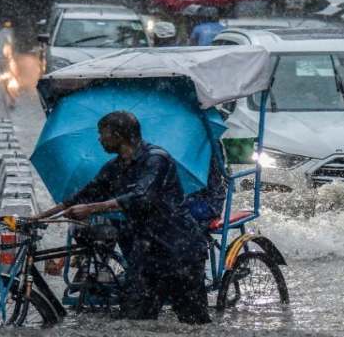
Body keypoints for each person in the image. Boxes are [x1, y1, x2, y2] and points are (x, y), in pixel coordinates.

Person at [33, 111, 211, 324]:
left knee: (193, 323)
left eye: (102, 134)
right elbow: (84, 194)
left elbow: (141, 196)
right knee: (135, 320)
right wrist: (39, 218)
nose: (99, 139)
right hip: (145, 253)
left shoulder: (156, 159)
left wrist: (92, 209)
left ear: (118, 135)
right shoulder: (115, 167)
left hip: (179, 250)